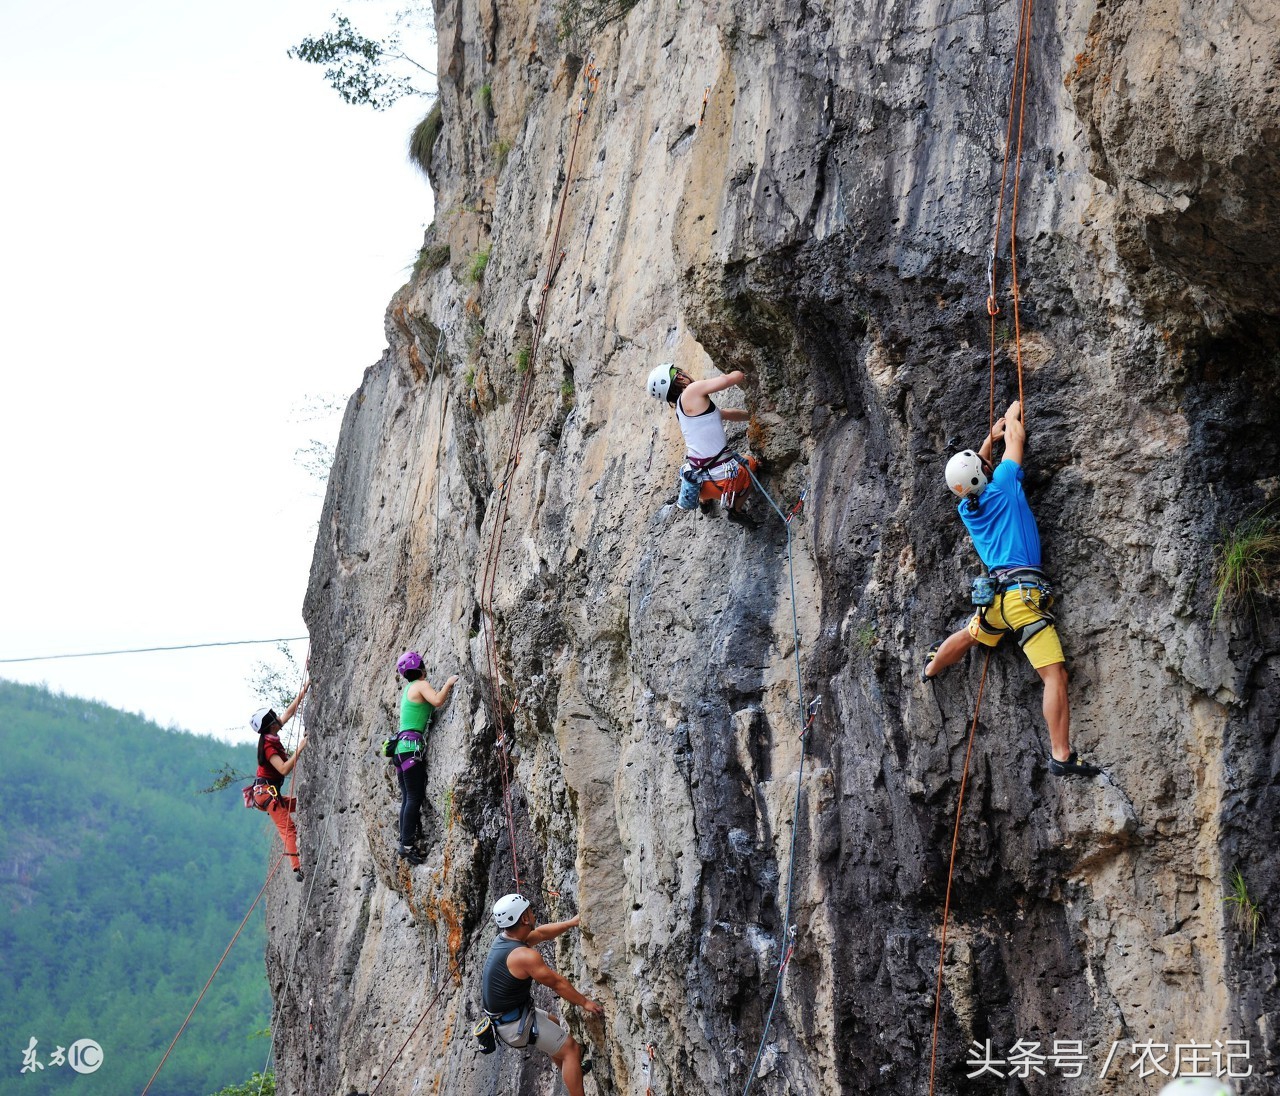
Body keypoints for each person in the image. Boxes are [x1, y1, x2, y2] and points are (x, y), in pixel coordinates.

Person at [923, 400, 1101, 778]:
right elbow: (1016, 440)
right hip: (1023, 597)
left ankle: (932, 668)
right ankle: (1061, 753)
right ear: (986, 472)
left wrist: (989, 438)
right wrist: (1012, 417)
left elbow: (976, 472)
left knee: (972, 635)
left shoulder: (967, 509)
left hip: (995, 601)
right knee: (1055, 676)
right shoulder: (1004, 483)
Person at [481, 894, 603, 1096]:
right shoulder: (523, 956)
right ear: (524, 919)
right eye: (529, 909)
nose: (532, 911)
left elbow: (540, 934)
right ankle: (574, 1079)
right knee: (571, 1049)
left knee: (553, 1022)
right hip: (514, 1025)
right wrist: (585, 1003)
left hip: (509, 1017)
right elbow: (556, 983)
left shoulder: (507, 940)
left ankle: (569, 1072)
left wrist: (571, 923)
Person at [646, 361, 759, 512]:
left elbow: (724, 414)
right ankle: (736, 508)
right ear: (679, 377)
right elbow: (733, 378)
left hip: (700, 485)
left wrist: (752, 416)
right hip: (724, 482)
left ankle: (704, 501)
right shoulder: (692, 390)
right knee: (751, 463)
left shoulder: (681, 409)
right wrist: (735, 372)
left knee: (700, 464)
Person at [391, 651, 458, 865]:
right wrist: (448, 683)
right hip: (410, 749)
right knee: (413, 797)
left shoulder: (409, 689)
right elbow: (437, 701)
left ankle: (404, 842)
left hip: (401, 750)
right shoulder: (421, 685)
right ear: (420, 667)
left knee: (407, 797)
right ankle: (406, 844)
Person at [249, 680, 310, 880]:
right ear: (271, 724)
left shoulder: (271, 734)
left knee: (304, 805)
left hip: (267, 792)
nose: (279, 718)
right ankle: (297, 868)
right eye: (275, 718)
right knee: (288, 827)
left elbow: (289, 712)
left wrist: (305, 687)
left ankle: (296, 864)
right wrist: (300, 748)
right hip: (266, 794)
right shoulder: (268, 746)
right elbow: (283, 769)